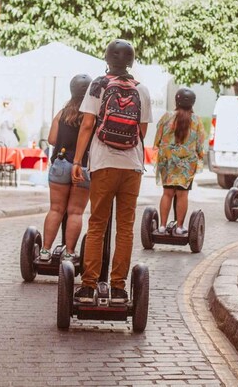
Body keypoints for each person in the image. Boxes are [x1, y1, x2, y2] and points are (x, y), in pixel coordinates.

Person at [71, 40, 152, 305]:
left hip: (103, 163)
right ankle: (118, 288)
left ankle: (88, 285)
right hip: (131, 166)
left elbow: (86, 126)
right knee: (125, 228)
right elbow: (141, 132)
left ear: (107, 59)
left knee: (97, 225)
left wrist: (76, 161)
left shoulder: (97, 85)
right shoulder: (142, 90)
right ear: (131, 62)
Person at [39, 74, 93, 262]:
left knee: (56, 209)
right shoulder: (92, 116)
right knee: (75, 212)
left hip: (60, 164)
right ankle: (70, 252)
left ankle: (45, 251)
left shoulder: (62, 113)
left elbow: (52, 139)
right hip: (84, 166)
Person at [153, 88, 205, 236]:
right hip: (187, 165)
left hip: (168, 162)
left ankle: (162, 226)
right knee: (182, 195)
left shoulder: (167, 117)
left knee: (167, 193)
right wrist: (199, 155)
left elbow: (157, 141)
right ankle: (179, 227)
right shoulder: (196, 120)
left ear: (177, 100)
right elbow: (200, 146)